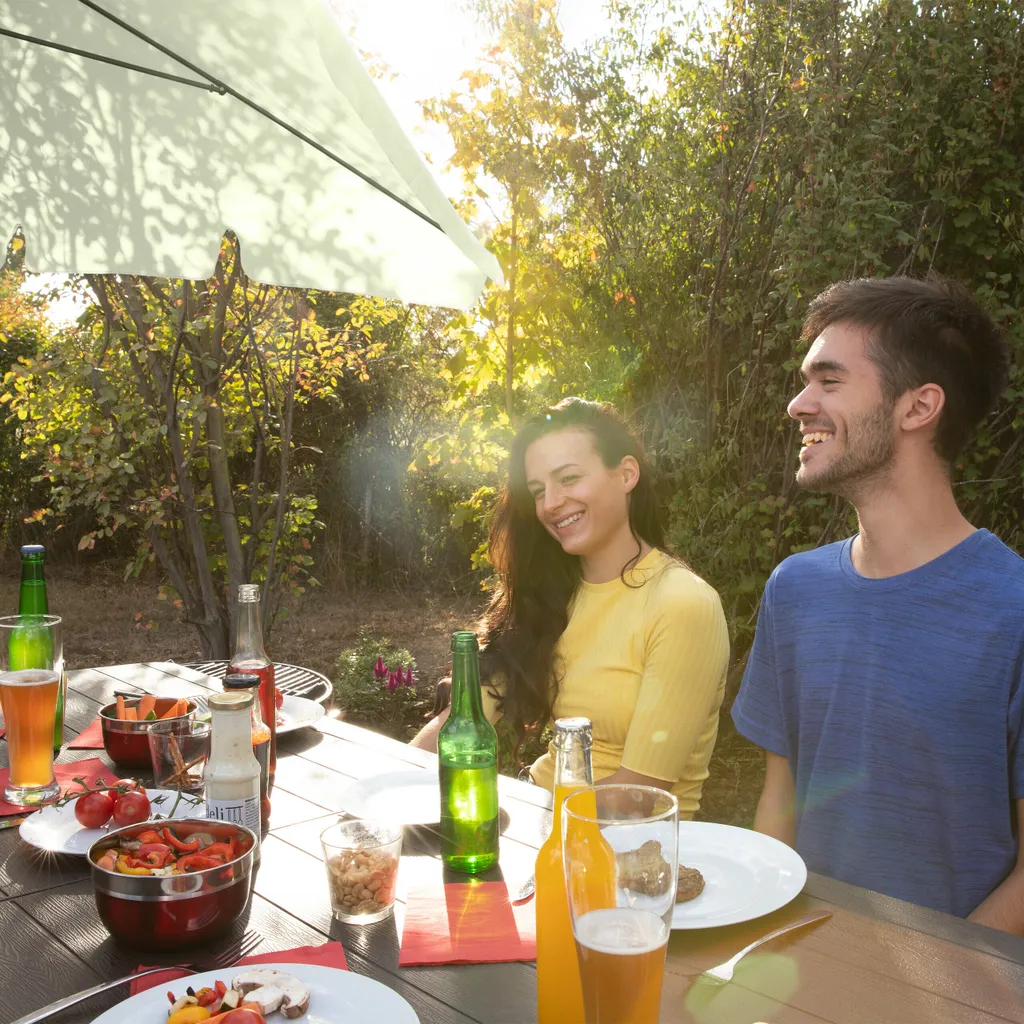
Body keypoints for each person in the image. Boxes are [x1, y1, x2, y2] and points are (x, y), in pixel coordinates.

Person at [732, 275, 1024, 931]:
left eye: (829, 381)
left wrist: (928, 980)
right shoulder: (794, 589)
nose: (797, 404)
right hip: (800, 964)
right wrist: (766, 936)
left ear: (918, 408)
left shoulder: (1015, 610)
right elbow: (781, 798)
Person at [413, 398, 730, 817]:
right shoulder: (550, 595)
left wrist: (512, 812)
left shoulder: (683, 603)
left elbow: (639, 795)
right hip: (539, 818)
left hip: (626, 846)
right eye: (538, 491)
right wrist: (402, 775)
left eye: (568, 478)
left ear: (626, 474)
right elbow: (463, 722)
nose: (550, 503)